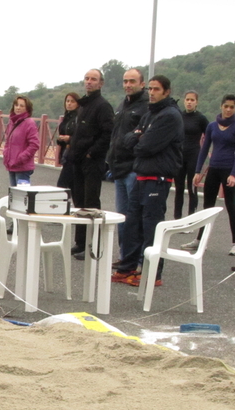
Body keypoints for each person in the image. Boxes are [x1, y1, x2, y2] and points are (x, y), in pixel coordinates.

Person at [111, 75, 184, 286]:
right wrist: (139, 136)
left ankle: (153, 273)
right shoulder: (149, 114)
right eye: (150, 89)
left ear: (166, 91)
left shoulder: (170, 116)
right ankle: (128, 267)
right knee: (132, 222)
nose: (151, 93)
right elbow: (127, 140)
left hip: (157, 178)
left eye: (156, 89)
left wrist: (139, 138)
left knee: (151, 226)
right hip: (141, 175)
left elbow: (146, 146)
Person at [184, 94, 235, 254]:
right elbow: (204, 149)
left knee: (231, 205)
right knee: (207, 207)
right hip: (213, 169)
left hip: (228, 170)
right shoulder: (212, 126)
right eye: (226, 106)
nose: (228, 109)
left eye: (232, 107)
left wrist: (233, 174)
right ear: (221, 107)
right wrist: (198, 171)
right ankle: (200, 239)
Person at [68, 68, 114, 260]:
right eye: (87, 79)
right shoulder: (84, 105)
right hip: (77, 160)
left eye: (93, 79)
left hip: (92, 161)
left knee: (91, 203)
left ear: (100, 83)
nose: (89, 82)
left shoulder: (103, 106)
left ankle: (92, 245)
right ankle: (80, 242)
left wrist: (91, 153)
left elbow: (107, 134)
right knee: (79, 203)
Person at [106, 68, 148, 264]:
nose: (128, 85)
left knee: (134, 217)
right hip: (119, 167)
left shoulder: (145, 107)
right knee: (121, 217)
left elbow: (143, 137)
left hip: (133, 168)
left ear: (142, 84)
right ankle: (125, 256)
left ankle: (137, 258)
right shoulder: (123, 105)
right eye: (125, 81)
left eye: (132, 81)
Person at [174, 91, 209, 219]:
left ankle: (191, 219)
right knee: (179, 188)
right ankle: (177, 218)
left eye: (192, 100)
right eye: (187, 99)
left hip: (194, 155)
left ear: (196, 102)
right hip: (180, 155)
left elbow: (209, 136)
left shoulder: (200, 118)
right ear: (184, 101)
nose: (189, 102)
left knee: (191, 188)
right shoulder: (179, 116)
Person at [3, 95, 40, 186]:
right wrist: (6, 154)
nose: (18, 108)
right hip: (11, 164)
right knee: (13, 196)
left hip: (22, 166)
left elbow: (34, 144)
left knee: (22, 197)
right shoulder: (12, 122)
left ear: (27, 108)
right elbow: (8, 142)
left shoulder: (29, 123)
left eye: (21, 106)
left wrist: (21, 158)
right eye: (16, 105)